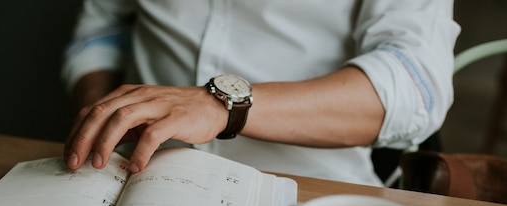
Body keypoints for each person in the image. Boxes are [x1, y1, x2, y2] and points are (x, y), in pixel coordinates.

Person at [62, 0, 460, 186]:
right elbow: (105, 25)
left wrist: (222, 106)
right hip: (129, 180)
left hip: (304, 191)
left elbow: (415, 86)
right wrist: (103, 112)